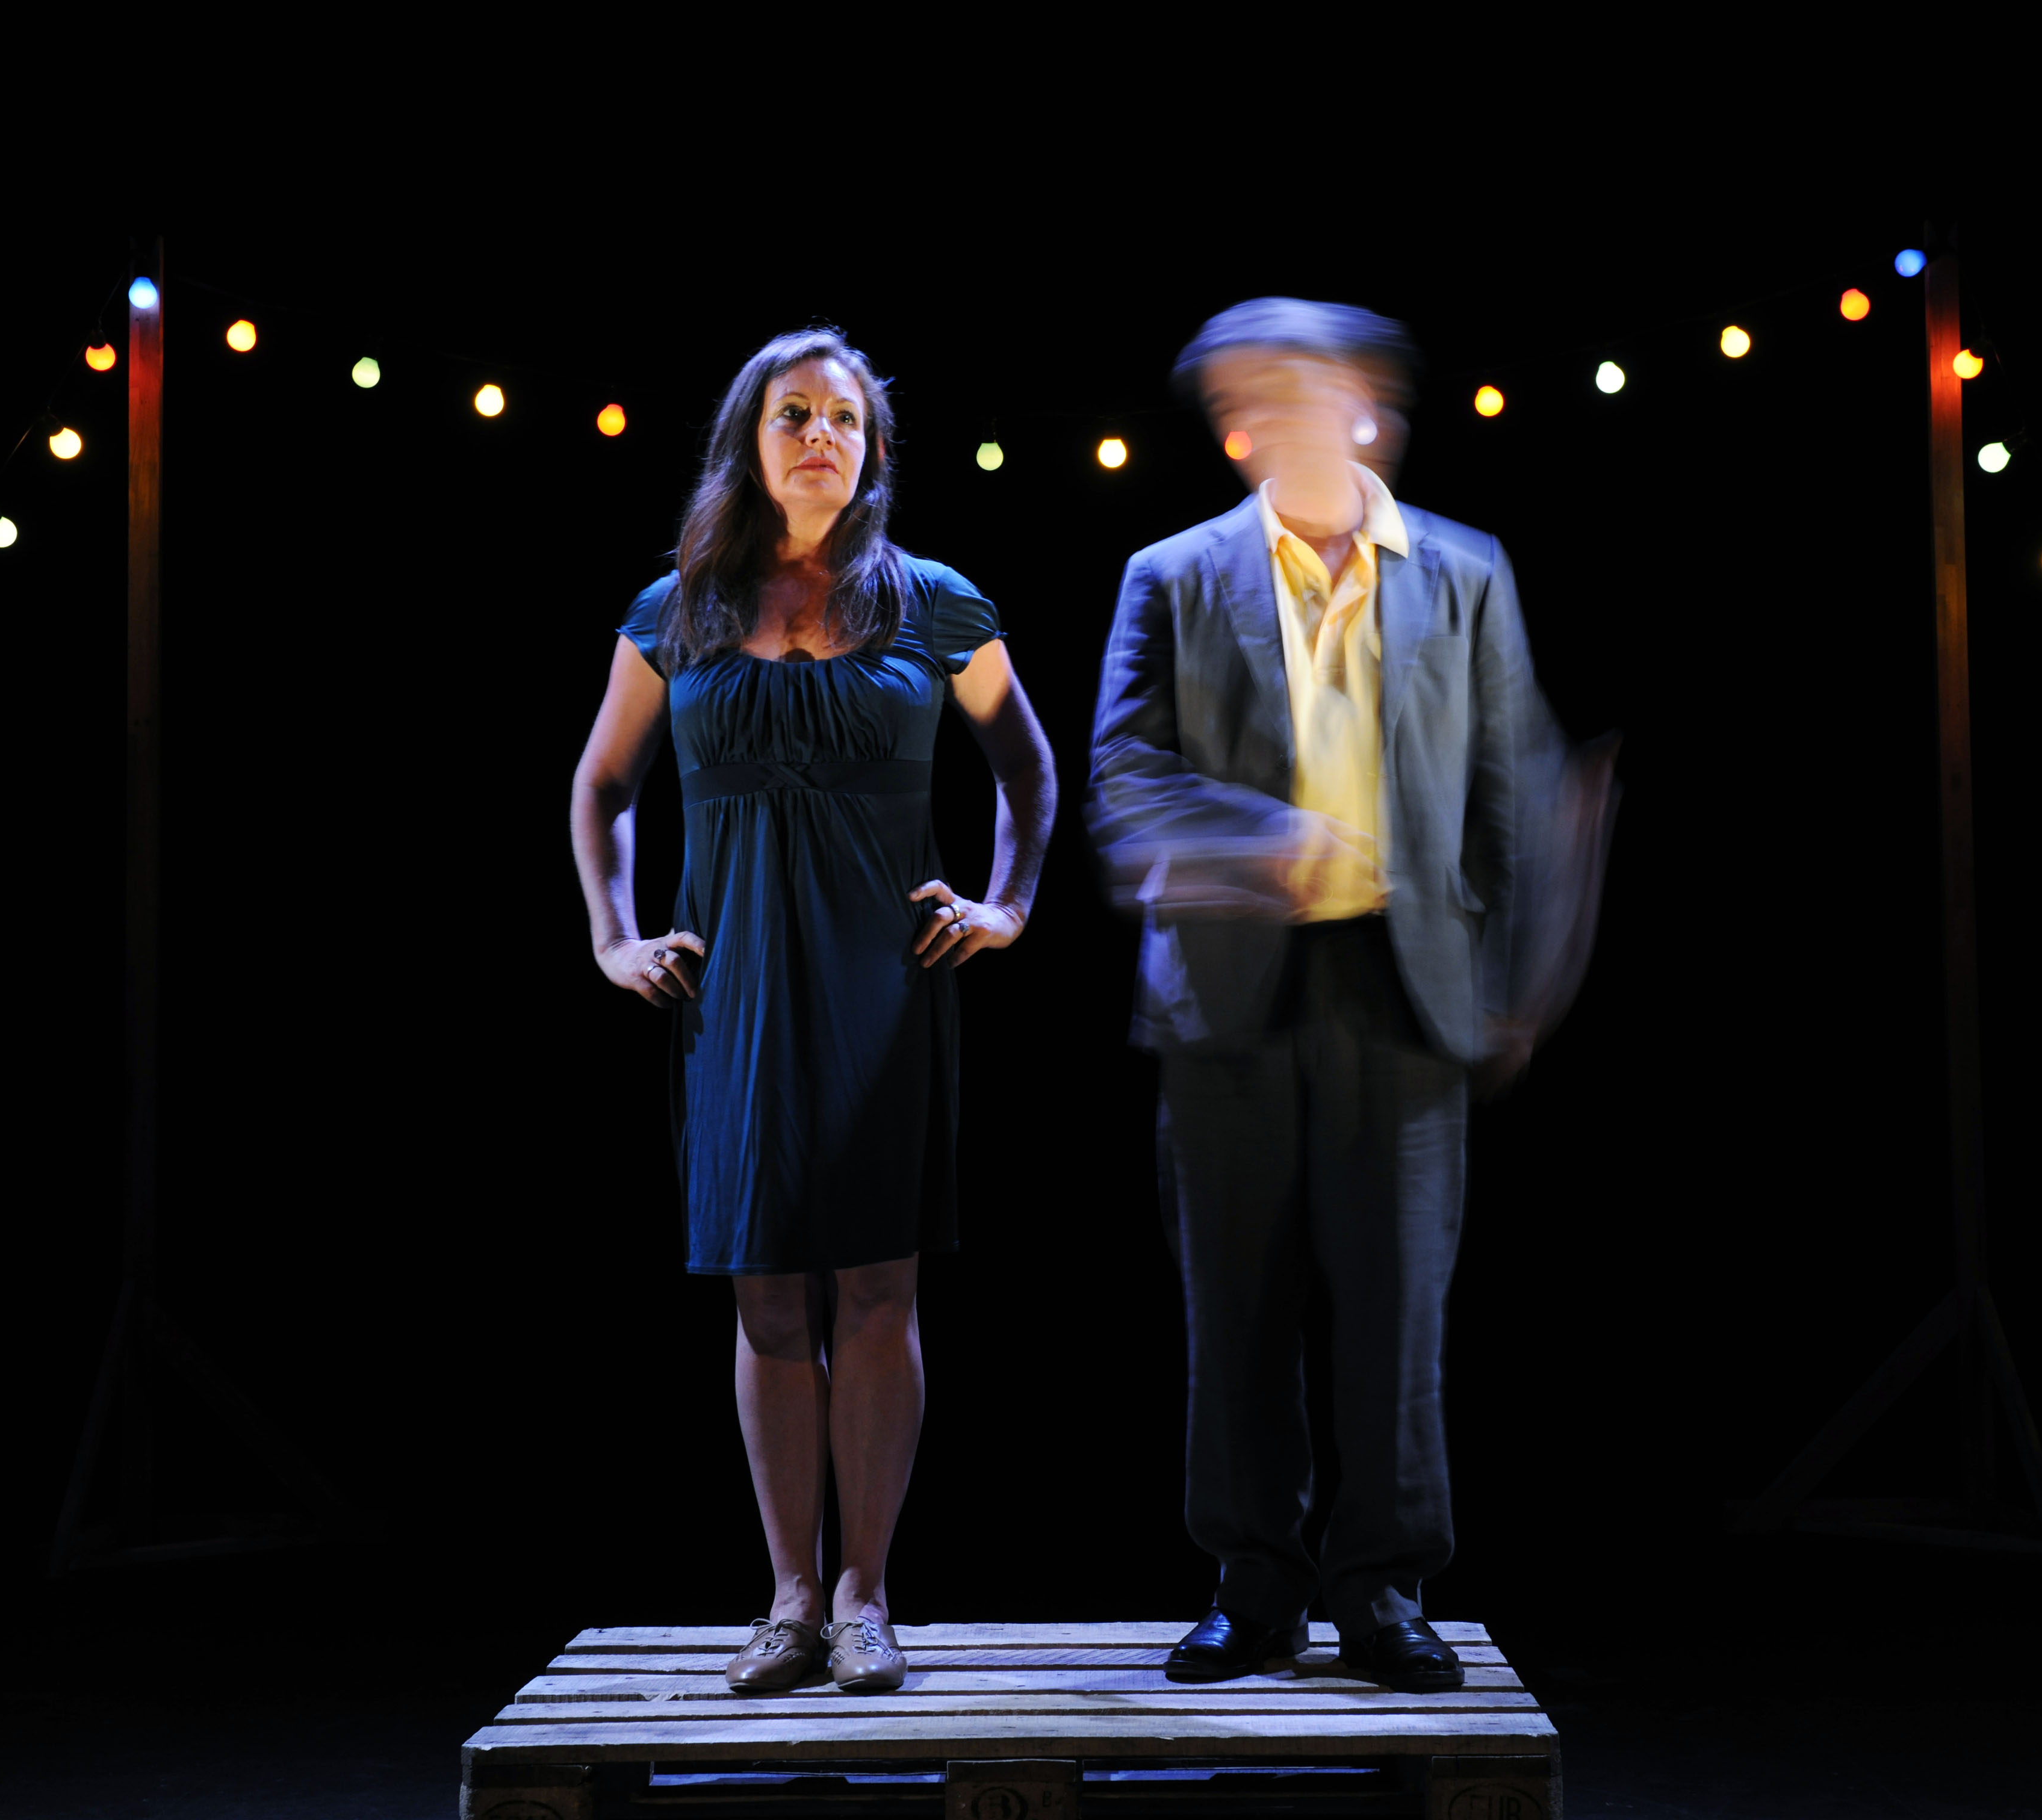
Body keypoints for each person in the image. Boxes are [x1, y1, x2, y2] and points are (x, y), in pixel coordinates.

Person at [1087, 299, 1617, 1692]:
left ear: (1363, 406)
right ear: (1235, 430)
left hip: (1403, 987)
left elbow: (1510, 779)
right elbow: (1122, 783)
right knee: (1233, 1308)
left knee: (1397, 1314)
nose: (1271, 415)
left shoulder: (1463, 569)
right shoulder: (1172, 575)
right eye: (1248, 399)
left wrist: (1511, 989)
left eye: (1298, 387)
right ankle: (1251, 1586)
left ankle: (1382, 1589)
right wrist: (1266, 841)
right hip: (1227, 992)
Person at [571, 329, 1056, 1695]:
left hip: (882, 983)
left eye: (843, 419)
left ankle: (864, 1598)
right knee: (768, 1291)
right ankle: (788, 1596)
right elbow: (602, 786)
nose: (818, 437)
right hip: (730, 984)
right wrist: (612, 937)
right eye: (793, 414)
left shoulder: (933, 604)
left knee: (879, 1284)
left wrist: (1008, 905)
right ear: (751, 438)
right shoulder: (678, 608)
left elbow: (1027, 767)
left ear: (874, 450)